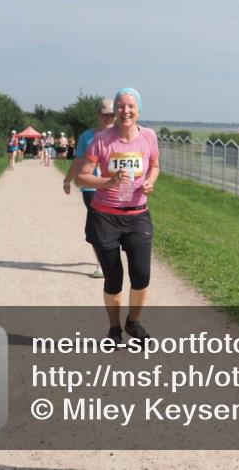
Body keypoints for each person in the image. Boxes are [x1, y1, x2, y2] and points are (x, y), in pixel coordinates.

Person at [77, 88, 160, 344]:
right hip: (106, 218)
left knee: (141, 275)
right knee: (114, 278)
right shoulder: (101, 140)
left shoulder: (148, 137)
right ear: (115, 110)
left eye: (130, 106)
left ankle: (133, 322)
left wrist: (150, 181)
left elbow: (155, 165)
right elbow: (83, 176)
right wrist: (108, 181)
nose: (125, 110)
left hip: (137, 216)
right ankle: (114, 329)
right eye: (120, 106)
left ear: (138, 110)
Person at [64, 99, 115, 279]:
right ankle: (102, 263)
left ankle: (112, 256)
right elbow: (78, 161)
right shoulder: (87, 137)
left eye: (112, 115)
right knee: (98, 226)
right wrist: (67, 180)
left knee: (114, 225)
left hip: (115, 188)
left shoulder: (121, 135)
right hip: (91, 188)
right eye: (105, 114)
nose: (108, 118)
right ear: (98, 114)